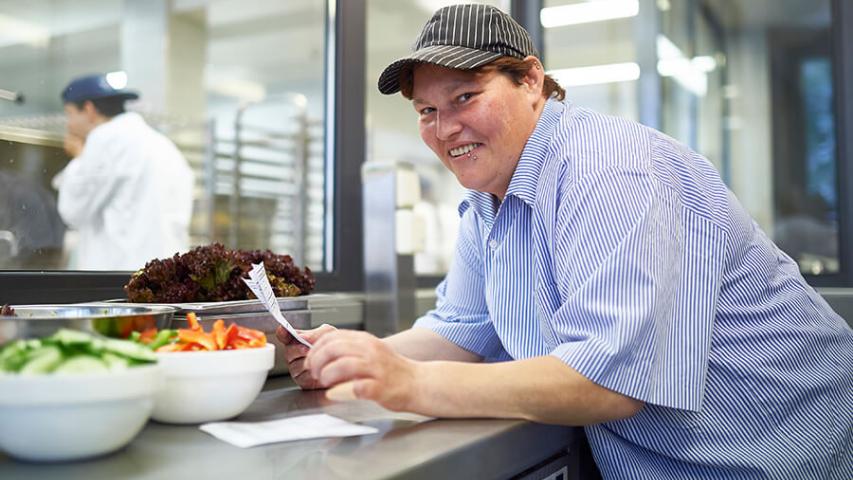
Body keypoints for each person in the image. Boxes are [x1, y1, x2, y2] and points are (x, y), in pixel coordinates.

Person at [278, 5, 852, 479]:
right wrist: (354, 357)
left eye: (464, 97)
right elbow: (461, 328)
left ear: (530, 81)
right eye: (427, 111)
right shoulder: (489, 199)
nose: (443, 127)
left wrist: (410, 383)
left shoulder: (610, 172)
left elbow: (608, 382)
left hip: (793, 452)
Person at [53, 73, 194, 270]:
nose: (69, 124)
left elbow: (73, 210)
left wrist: (79, 157)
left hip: (122, 273)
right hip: (168, 271)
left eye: (69, 114)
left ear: (89, 109)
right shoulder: (163, 144)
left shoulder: (104, 139)